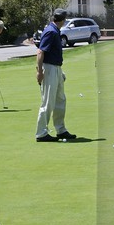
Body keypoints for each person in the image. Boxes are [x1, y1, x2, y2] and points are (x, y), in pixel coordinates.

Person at [35, 8, 76, 142]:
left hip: (56, 68)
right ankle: (41, 133)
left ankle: (61, 129)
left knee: (60, 100)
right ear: (63, 20)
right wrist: (39, 72)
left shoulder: (55, 30)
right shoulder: (51, 31)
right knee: (48, 101)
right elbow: (40, 52)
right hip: (49, 68)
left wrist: (60, 72)